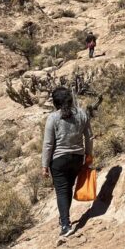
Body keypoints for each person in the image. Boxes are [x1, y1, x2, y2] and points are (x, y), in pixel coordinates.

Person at [42, 87, 93, 238]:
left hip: (59, 160)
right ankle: (64, 219)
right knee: (67, 188)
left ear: (55, 102)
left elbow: (48, 144)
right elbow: (89, 137)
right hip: (77, 158)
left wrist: (44, 165)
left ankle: (65, 224)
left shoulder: (53, 117)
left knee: (62, 190)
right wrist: (88, 156)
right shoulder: (82, 113)